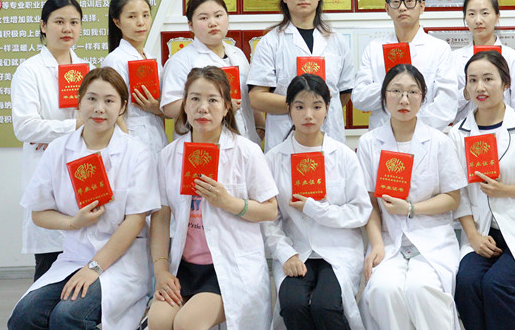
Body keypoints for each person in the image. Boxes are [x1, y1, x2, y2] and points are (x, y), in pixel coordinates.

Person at [8, 68, 160, 330]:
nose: (99, 108)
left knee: (67, 316)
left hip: (122, 262)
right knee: (24, 317)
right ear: (78, 102)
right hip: (74, 258)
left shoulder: (137, 153)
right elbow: (39, 213)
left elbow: (135, 221)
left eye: (109, 101)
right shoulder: (59, 149)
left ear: (123, 107)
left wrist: (94, 268)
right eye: (91, 99)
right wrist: (73, 222)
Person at [149, 66, 278, 330]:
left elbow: (270, 210)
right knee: (158, 322)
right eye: (195, 99)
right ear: (184, 105)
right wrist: (161, 271)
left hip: (229, 266)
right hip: (184, 267)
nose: (203, 108)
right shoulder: (169, 155)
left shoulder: (246, 151)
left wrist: (229, 202)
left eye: (212, 100)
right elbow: (161, 217)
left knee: (187, 323)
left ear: (227, 106)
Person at [450, 50, 515, 330]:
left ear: (506, 83)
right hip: (482, 232)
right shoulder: (458, 134)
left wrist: (506, 190)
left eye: (488, 79)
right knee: (467, 283)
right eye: (472, 80)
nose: (480, 87)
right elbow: (459, 193)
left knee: (496, 285)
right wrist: (473, 236)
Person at [356, 64, 467, 330]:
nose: (404, 99)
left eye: (412, 92)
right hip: (389, 238)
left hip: (432, 237)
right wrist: (376, 245)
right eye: (396, 91)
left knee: (421, 289)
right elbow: (369, 204)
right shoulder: (369, 143)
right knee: (384, 290)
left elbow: (452, 198)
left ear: (423, 97)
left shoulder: (439, 141)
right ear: (384, 96)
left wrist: (411, 208)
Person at [263, 74, 372, 330]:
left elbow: (360, 211)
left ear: (327, 108)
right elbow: (269, 219)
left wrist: (315, 209)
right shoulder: (273, 159)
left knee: (326, 305)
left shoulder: (343, 155)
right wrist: (286, 254)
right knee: (292, 304)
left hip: (338, 249)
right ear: (289, 109)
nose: (308, 115)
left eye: (316, 106)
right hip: (296, 248)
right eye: (300, 106)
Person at [11, 0, 92, 280]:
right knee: (50, 266)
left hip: (85, 171)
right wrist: (74, 126)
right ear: (44, 26)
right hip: (48, 171)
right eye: (59, 22)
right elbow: (25, 127)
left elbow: (99, 122)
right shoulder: (29, 70)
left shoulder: (89, 71)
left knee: (86, 262)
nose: (67, 28)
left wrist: (54, 131)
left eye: (74, 22)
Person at [249, 0, 356, 151]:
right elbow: (257, 98)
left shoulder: (337, 41)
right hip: (284, 139)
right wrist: (302, 106)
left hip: (330, 137)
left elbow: (345, 92)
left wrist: (316, 109)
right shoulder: (270, 42)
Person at [352, 0, 458, 131]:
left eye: (409, 1)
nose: (402, 8)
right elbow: (359, 98)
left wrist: (410, 127)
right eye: (395, 2)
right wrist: (391, 85)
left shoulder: (439, 48)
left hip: (424, 135)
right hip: (382, 135)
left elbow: (446, 104)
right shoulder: (374, 48)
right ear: (387, 9)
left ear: (422, 6)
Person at [160, 0, 262, 142]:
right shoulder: (181, 60)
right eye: (204, 18)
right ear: (190, 25)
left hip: (244, 141)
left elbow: (249, 95)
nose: (213, 23)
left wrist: (260, 126)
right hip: (202, 141)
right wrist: (216, 105)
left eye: (218, 15)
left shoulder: (238, 54)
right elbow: (170, 106)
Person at [102, 0, 167, 152]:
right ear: (117, 22)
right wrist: (129, 148)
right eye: (132, 17)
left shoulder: (150, 58)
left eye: (145, 15)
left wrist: (156, 108)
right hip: (130, 143)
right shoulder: (115, 60)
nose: (141, 22)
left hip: (157, 139)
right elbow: (113, 110)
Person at [453, 0, 515, 122]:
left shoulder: (512, 58)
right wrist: (466, 93)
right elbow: (447, 106)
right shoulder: (454, 58)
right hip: (466, 130)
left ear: (497, 16)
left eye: (485, 13)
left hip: (505, 130)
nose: (478, 20)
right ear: (465, 18)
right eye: (471, 14)